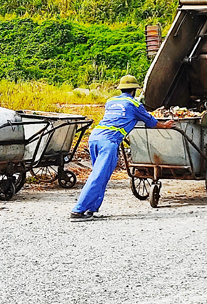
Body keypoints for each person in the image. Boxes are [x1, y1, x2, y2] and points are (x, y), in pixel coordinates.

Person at [70, 75, 175, 220]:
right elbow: (151, 122)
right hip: (109, 140)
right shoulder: (134, 104)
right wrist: (164, 125)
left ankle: (91, 209)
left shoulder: (110, 101)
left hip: (95, 137)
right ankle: (78, 210)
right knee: (99, 176)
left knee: (101, 175)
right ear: (134, 90)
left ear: (121, 89)